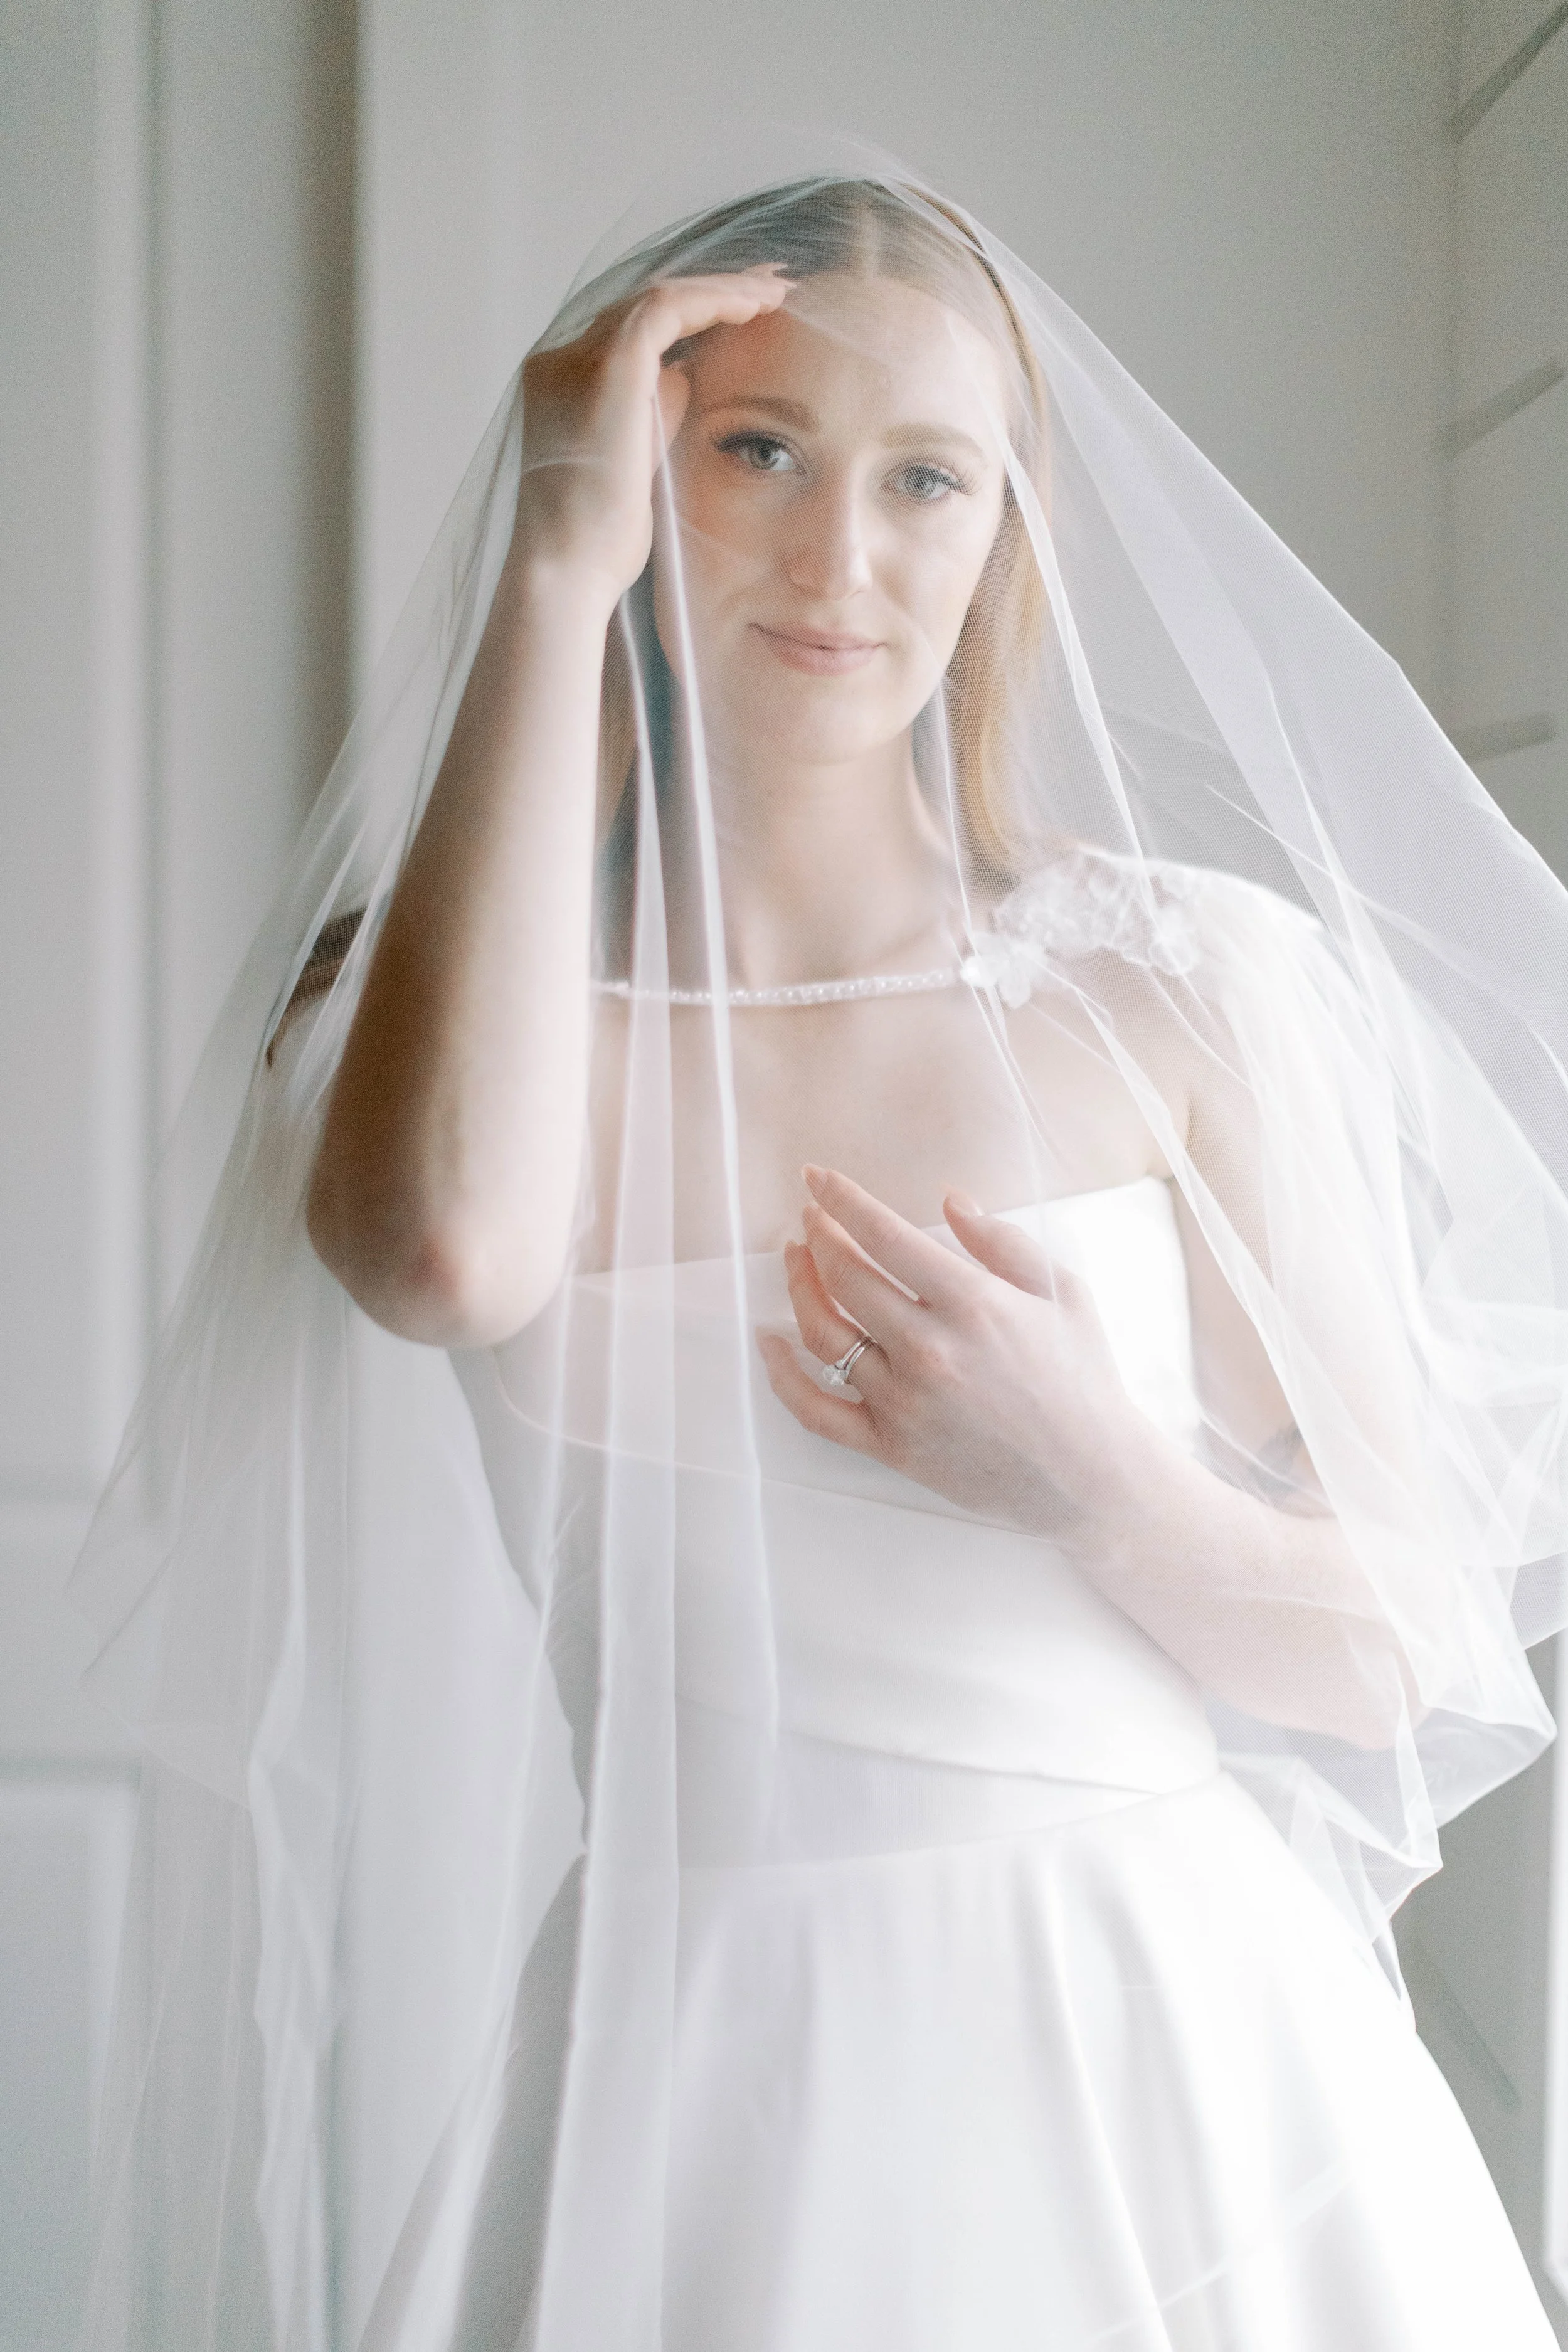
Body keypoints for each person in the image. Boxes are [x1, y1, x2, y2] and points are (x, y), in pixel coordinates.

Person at [74, 148, 1568, 2350]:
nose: (839, 554)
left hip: (1169, 2054)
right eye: (754, 450)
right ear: (635, 469)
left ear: (1001, 536)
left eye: (927, 480)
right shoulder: (449, 1023)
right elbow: (432, 1257)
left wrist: (1090, 1475)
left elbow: (1404, 1643)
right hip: (702, 2077)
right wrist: (552, 571)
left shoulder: (1174, 988)